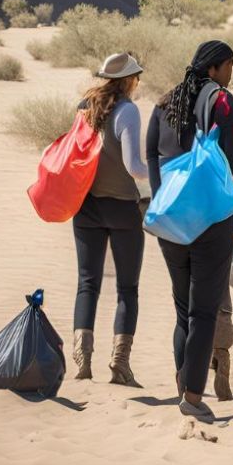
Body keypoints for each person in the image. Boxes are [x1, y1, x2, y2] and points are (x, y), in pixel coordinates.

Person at [146, 40, 233, 418]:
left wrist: (162, 196)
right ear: (215, 68)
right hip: (210, 220)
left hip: (170, 219)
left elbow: (151, 153)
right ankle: (193, 398)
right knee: (203, 313)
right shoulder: (223, 101)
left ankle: (184, 383)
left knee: (183, 309)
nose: (232, 71)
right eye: (230, 63)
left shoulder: (165, 102)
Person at [71, 53, 149, 387]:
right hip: (122, 209)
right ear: (130, 79)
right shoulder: (128, 110)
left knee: (87, 283)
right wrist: (160, 175)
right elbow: (134, 166)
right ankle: (120, 364)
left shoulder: (85, 105)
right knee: (127, 288)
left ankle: (82, 360)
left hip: (86, 205)